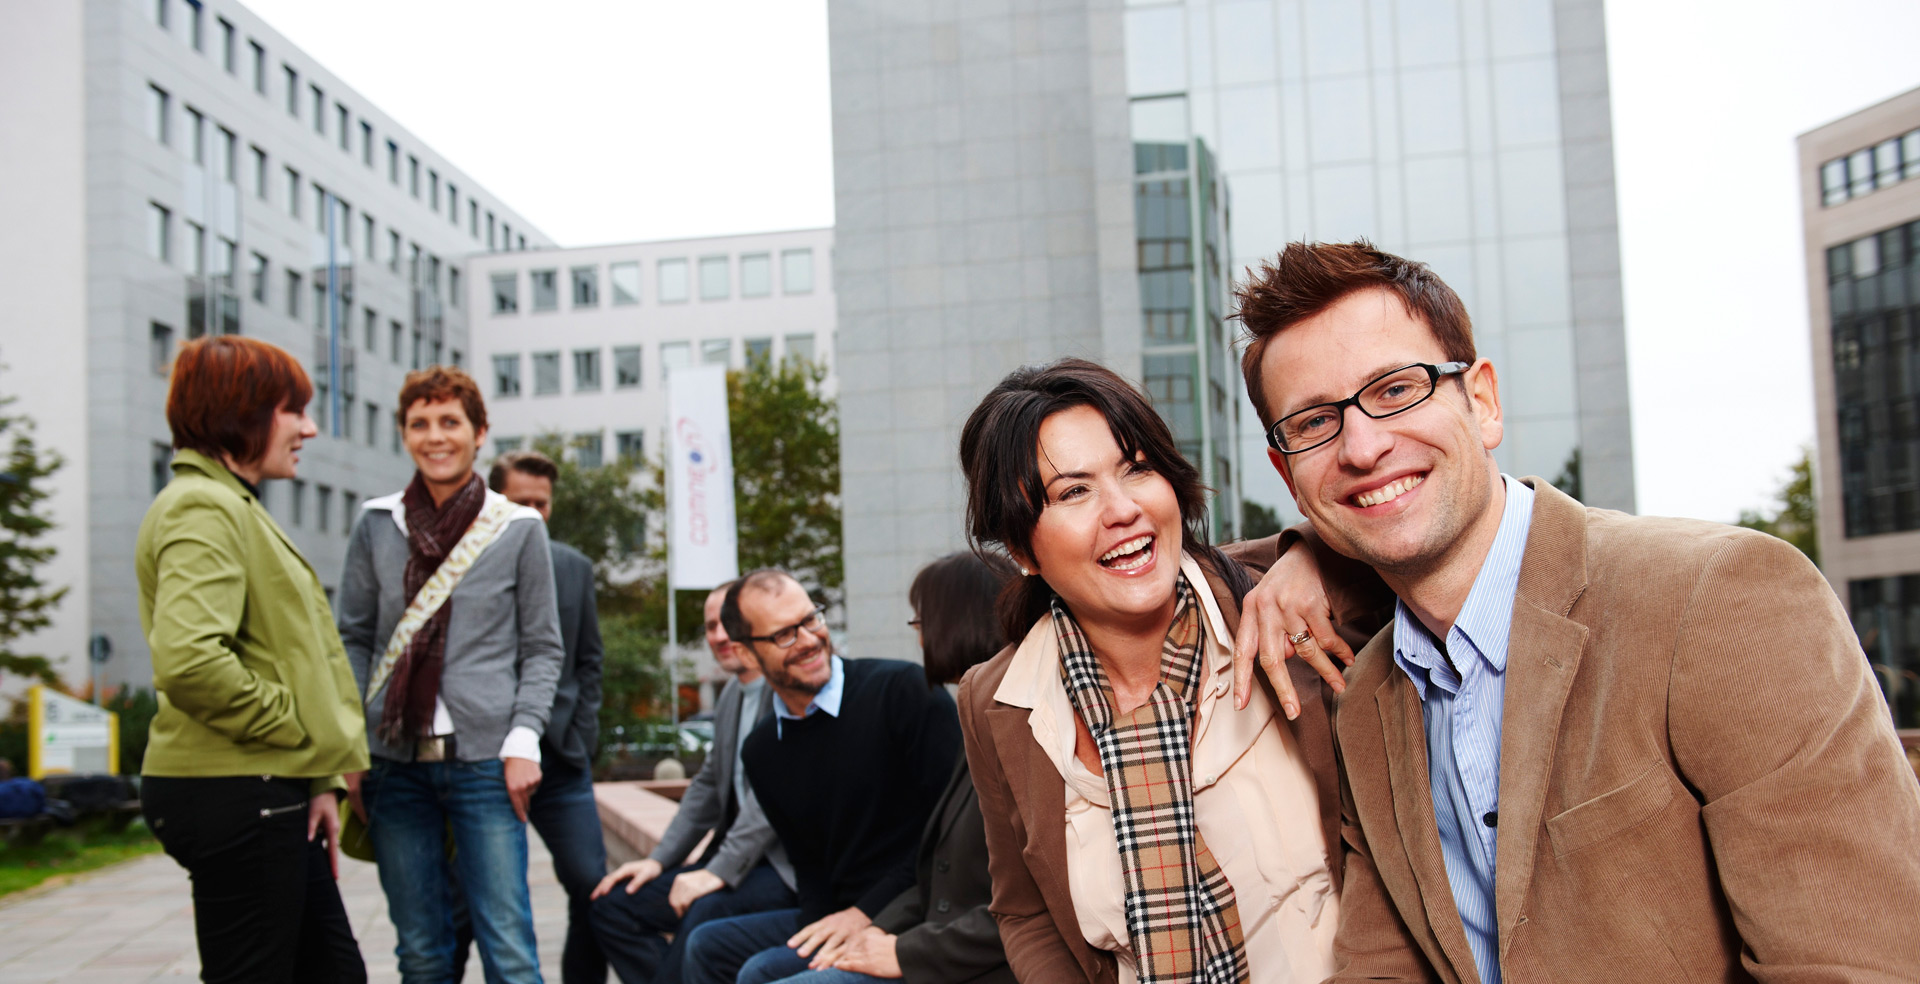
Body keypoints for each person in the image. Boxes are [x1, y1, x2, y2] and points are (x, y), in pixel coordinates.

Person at [1229, 240, 1920, 982]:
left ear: (1483, 400)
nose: (1362, 446)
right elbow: (1384, 967)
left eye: (1396, 389)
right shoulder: (1366, 697)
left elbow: (1855, 966)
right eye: (1313, 424)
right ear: (1287, 474)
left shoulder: (1721, 597)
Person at [952, 358, 1347, 984]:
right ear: (1023, 549)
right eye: (1073, 492)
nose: (1122, 510)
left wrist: (1312, 556)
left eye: (1137, 469)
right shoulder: (998, 702)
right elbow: (1025, 912)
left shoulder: (1283, 607)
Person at [136, 336, 370, 983]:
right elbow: (189, 662)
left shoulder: (227, 503)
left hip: (263, 787)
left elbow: (274, 654)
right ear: (243, 410)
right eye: (293, 409)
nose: (309, 428)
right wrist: (298, 734)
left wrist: (317, 778)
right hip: (238, 790)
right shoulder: (202, 507)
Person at [336, 366, 566, 984]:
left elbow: (543, 649)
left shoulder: (517, 527)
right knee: (421, 951)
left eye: (449, 422)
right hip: (393, 765)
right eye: (419, 423)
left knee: (509, 949)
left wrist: (523, 742)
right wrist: (352, 740)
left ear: (479, 433)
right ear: (404, 434)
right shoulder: (378, 523)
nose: (435, 437)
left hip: (486, 762)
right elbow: (352, 637)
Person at [681, 571, 961, 984]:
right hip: (842, 914)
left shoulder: (905, 691)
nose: (809, 640)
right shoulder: (762, 751)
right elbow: (808, 865)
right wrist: (822, 936)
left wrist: (864, 917)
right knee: (709, 945)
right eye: (784, 635)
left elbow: (949, 839)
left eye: (811, 619)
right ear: (745, 653)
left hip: (924, 913)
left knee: (760, 975)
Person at [769, 551, 1018, 984]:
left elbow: (1032, 906)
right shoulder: (979, 711)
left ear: (956, 620)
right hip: (924, 935)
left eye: (920, 621)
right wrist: (876, 928)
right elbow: (935, 875)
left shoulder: (1016, 722)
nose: (918, 638)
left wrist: (900, 949)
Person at [447, 450, 609, 984]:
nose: (535, 514)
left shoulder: (573, 567)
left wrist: (580, 736)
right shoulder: (459, 563)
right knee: (464, 905)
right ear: (494, 500)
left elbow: (589, 660)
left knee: (593, 888)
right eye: (522, 503)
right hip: (482, 763)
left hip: (561, 761)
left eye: (542, 503)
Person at [589, 582, 796, 984]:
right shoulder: (731, 696)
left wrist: (715, 871)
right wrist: (658, 860)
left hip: (781, 868)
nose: (718, 635)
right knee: (611, 905)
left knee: (703, 911)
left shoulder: (788, 693)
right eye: (710, 626)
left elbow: (770, 801)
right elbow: (705, 786)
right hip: (730, 860)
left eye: (727, 623)